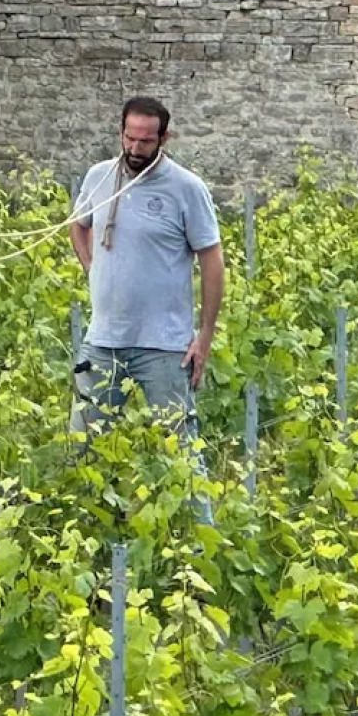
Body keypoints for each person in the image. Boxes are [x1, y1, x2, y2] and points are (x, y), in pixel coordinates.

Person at [68, 96, 224, 527]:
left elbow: (212, 259)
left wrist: (204, 336)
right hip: (102, 342)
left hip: (164, 346)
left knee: (182, 454)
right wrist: (93, 269)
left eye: (146, 141)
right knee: (83, 448)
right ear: (120, 132)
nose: (135, 149)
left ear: (164, 138)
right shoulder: (100, 177)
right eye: (129, 138)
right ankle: (86, 543)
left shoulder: (186, 188)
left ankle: (199, 545)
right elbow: (77, 226)